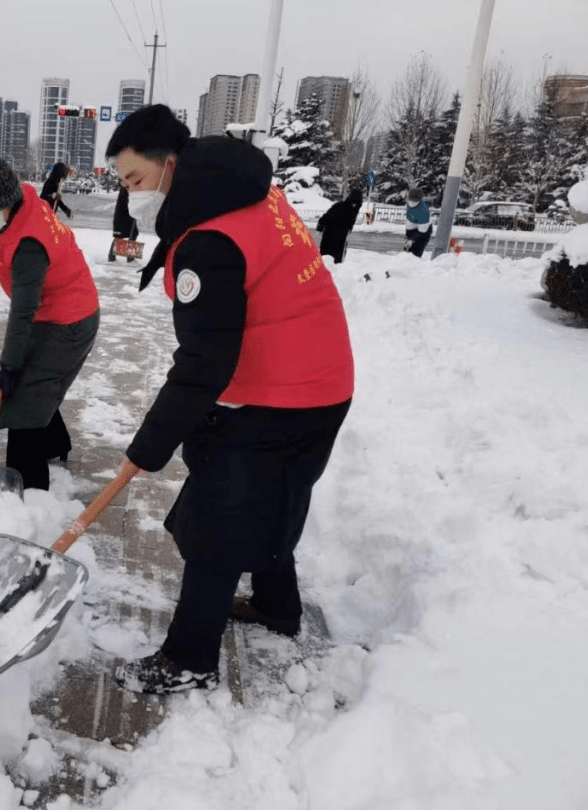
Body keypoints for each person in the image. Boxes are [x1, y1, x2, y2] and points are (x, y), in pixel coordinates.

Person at [105, 105, 354, 695]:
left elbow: (201, 366)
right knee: (262, 500)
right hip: (316, 383)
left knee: (216, 520)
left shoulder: (208, 239)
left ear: (171, 167)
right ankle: (275, 606)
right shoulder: (241, 192)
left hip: (283, 396)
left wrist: (148, 447)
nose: (130, 195)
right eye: (121, 183)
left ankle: (188, 659)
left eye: (135, 180)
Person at [0, 138, 100, 490]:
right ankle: (55, 445)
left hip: (69, 319)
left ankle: (28, 488)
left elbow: (22, 313)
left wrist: (8, 370)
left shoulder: (28, 248)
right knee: (36, 384)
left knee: (23, 399)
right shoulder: (20, 203)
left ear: (7, 203)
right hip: (60, 308)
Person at [316, 188, 363, 263]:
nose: (354, 205)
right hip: (330, 233)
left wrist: (350, 228)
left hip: (342, 236)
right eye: (353, 202)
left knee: (338, 257)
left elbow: (351, 221)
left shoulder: (354, 210)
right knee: (326, 255)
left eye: (356, 203)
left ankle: (336, 269)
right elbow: (326, 216)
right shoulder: (339, 206)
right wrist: (320, 226)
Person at [107, 185, 140, 263]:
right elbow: (129, 201)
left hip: (126, 215)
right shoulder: (127, 187)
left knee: (126, 235)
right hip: (125, 215)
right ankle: (128, 258)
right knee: (127, 235)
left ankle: (113, 256)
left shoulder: (127, 186)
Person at [404, 187, 432, 257]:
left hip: (424, 231)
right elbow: (409, 220)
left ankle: (415, 264)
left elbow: (422, 231)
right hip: (413, 226)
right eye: (410, 200)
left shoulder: (424, 211)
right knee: (407, 250)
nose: (411, 202)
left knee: (416, 251)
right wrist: (409, 236)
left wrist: (412, 239)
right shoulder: (408, 205)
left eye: (414, 200)